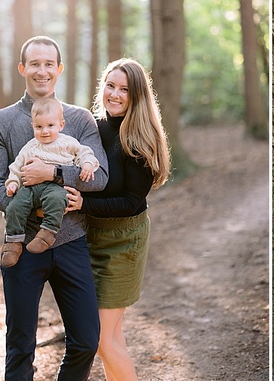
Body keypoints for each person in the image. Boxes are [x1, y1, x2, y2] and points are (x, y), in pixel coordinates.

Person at [0, 36, 109, 380]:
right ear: (23, 68)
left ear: (59, 69)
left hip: (71, 243)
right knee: (20, 344)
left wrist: (53, 173)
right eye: (34, 64)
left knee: (86, 340)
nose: (42, 71)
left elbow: (100, 178)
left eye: (49, 64)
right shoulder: (0, 122)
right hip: (21, 246)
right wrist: (32, 208)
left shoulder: (79, 120)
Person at [65, 58, 170, 381]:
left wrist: (83, 203)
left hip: (123, 242)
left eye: (124, 89)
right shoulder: (93, 128)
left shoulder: (140, 138)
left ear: (137, 95)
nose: (115, 94)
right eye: (110, 85)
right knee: (111, 335)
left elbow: (131, 201)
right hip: (90, 236)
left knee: (99, 338)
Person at [1, 96, 100, 267]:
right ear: (33, 126)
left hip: (55, 186)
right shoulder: (30, 146)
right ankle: (13, 243)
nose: (44, 131)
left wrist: (88, 165)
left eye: (50, 126)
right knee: (15, 206)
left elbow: (85, 153)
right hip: (30, 188)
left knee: (58, 200)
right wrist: (12, 182)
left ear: (61, 125)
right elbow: (17, 166)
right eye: (39, 127)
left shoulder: (68, 143)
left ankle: (47, 233)